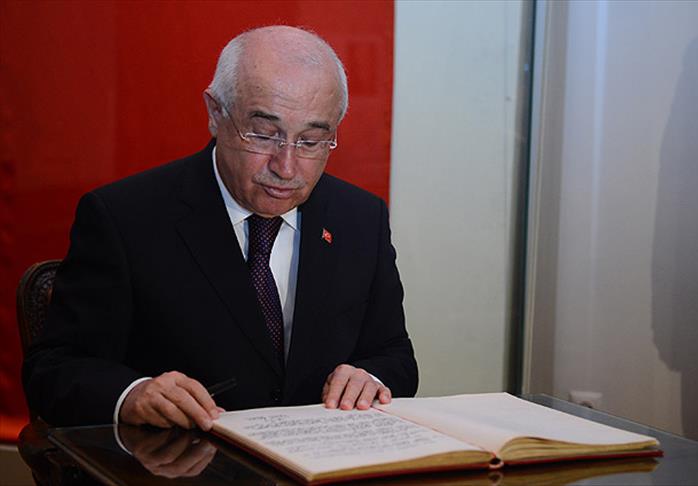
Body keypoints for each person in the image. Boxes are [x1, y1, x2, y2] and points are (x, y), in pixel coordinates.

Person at [22, 26, 418, 431]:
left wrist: (371, 377)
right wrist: (133, 394)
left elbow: (394, 355)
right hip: (182, 457)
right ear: (215, 112)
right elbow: (53, 370)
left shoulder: (360, 218)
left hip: (317, 456)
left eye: (311, 141)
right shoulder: (123, 217)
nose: (286, 167)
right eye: (264, 134)